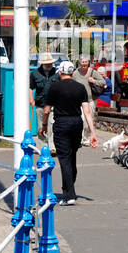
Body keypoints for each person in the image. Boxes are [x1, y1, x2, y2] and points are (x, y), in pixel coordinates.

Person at [42, 60, 98, 205]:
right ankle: (69, 186)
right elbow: (87, 112)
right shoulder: (80, 88)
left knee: (64, 159)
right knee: (72, 155)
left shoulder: (54, 87)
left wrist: (43, 126)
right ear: (73, 73)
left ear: (60, 72)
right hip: (76, 123)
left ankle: (69, 195)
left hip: (61, 123)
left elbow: (47, 110)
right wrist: (92, 133)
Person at [72, 55, 107, 145]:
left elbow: (103, 82)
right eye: (82, 62)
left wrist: (94, 81)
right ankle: (80, 138)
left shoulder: (93, 72)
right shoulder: (75, 73)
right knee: (81, 120)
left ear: (88, 63)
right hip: (78, 101)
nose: (84, 64)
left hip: (90, 100)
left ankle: (86, 138)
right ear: (79, 63)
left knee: (88, 120)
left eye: (86, 62)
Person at [30, 51, 59, 154]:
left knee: (51, 125)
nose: (49, 65)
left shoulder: (56, 73)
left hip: (52, 105)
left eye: (50, 63)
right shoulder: (35, 74)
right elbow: (30, 87)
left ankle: (52, 147)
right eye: (47, 63)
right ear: (42, 63)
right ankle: (43, 147)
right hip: (40, 103)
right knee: (40, 127)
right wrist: (31, 99)